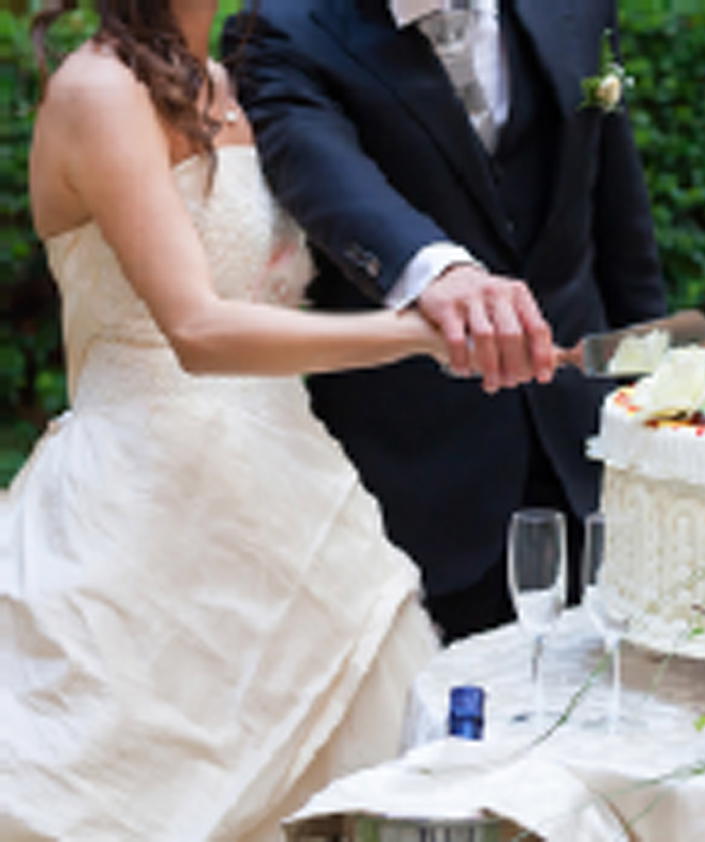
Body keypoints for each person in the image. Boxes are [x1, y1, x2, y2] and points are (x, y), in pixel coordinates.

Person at [1, 1, 443, 838]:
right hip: (140, 529)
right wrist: (418, 338)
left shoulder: (237, 84)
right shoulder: (97, 90)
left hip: (295, 502)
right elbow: (197, 331)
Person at [225, 0, 668, 642]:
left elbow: (614, 210)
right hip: (419, 475)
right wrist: (435, 274)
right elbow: (328, 177)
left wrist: (653, 384)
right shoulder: (284, 29)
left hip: (587, 445)